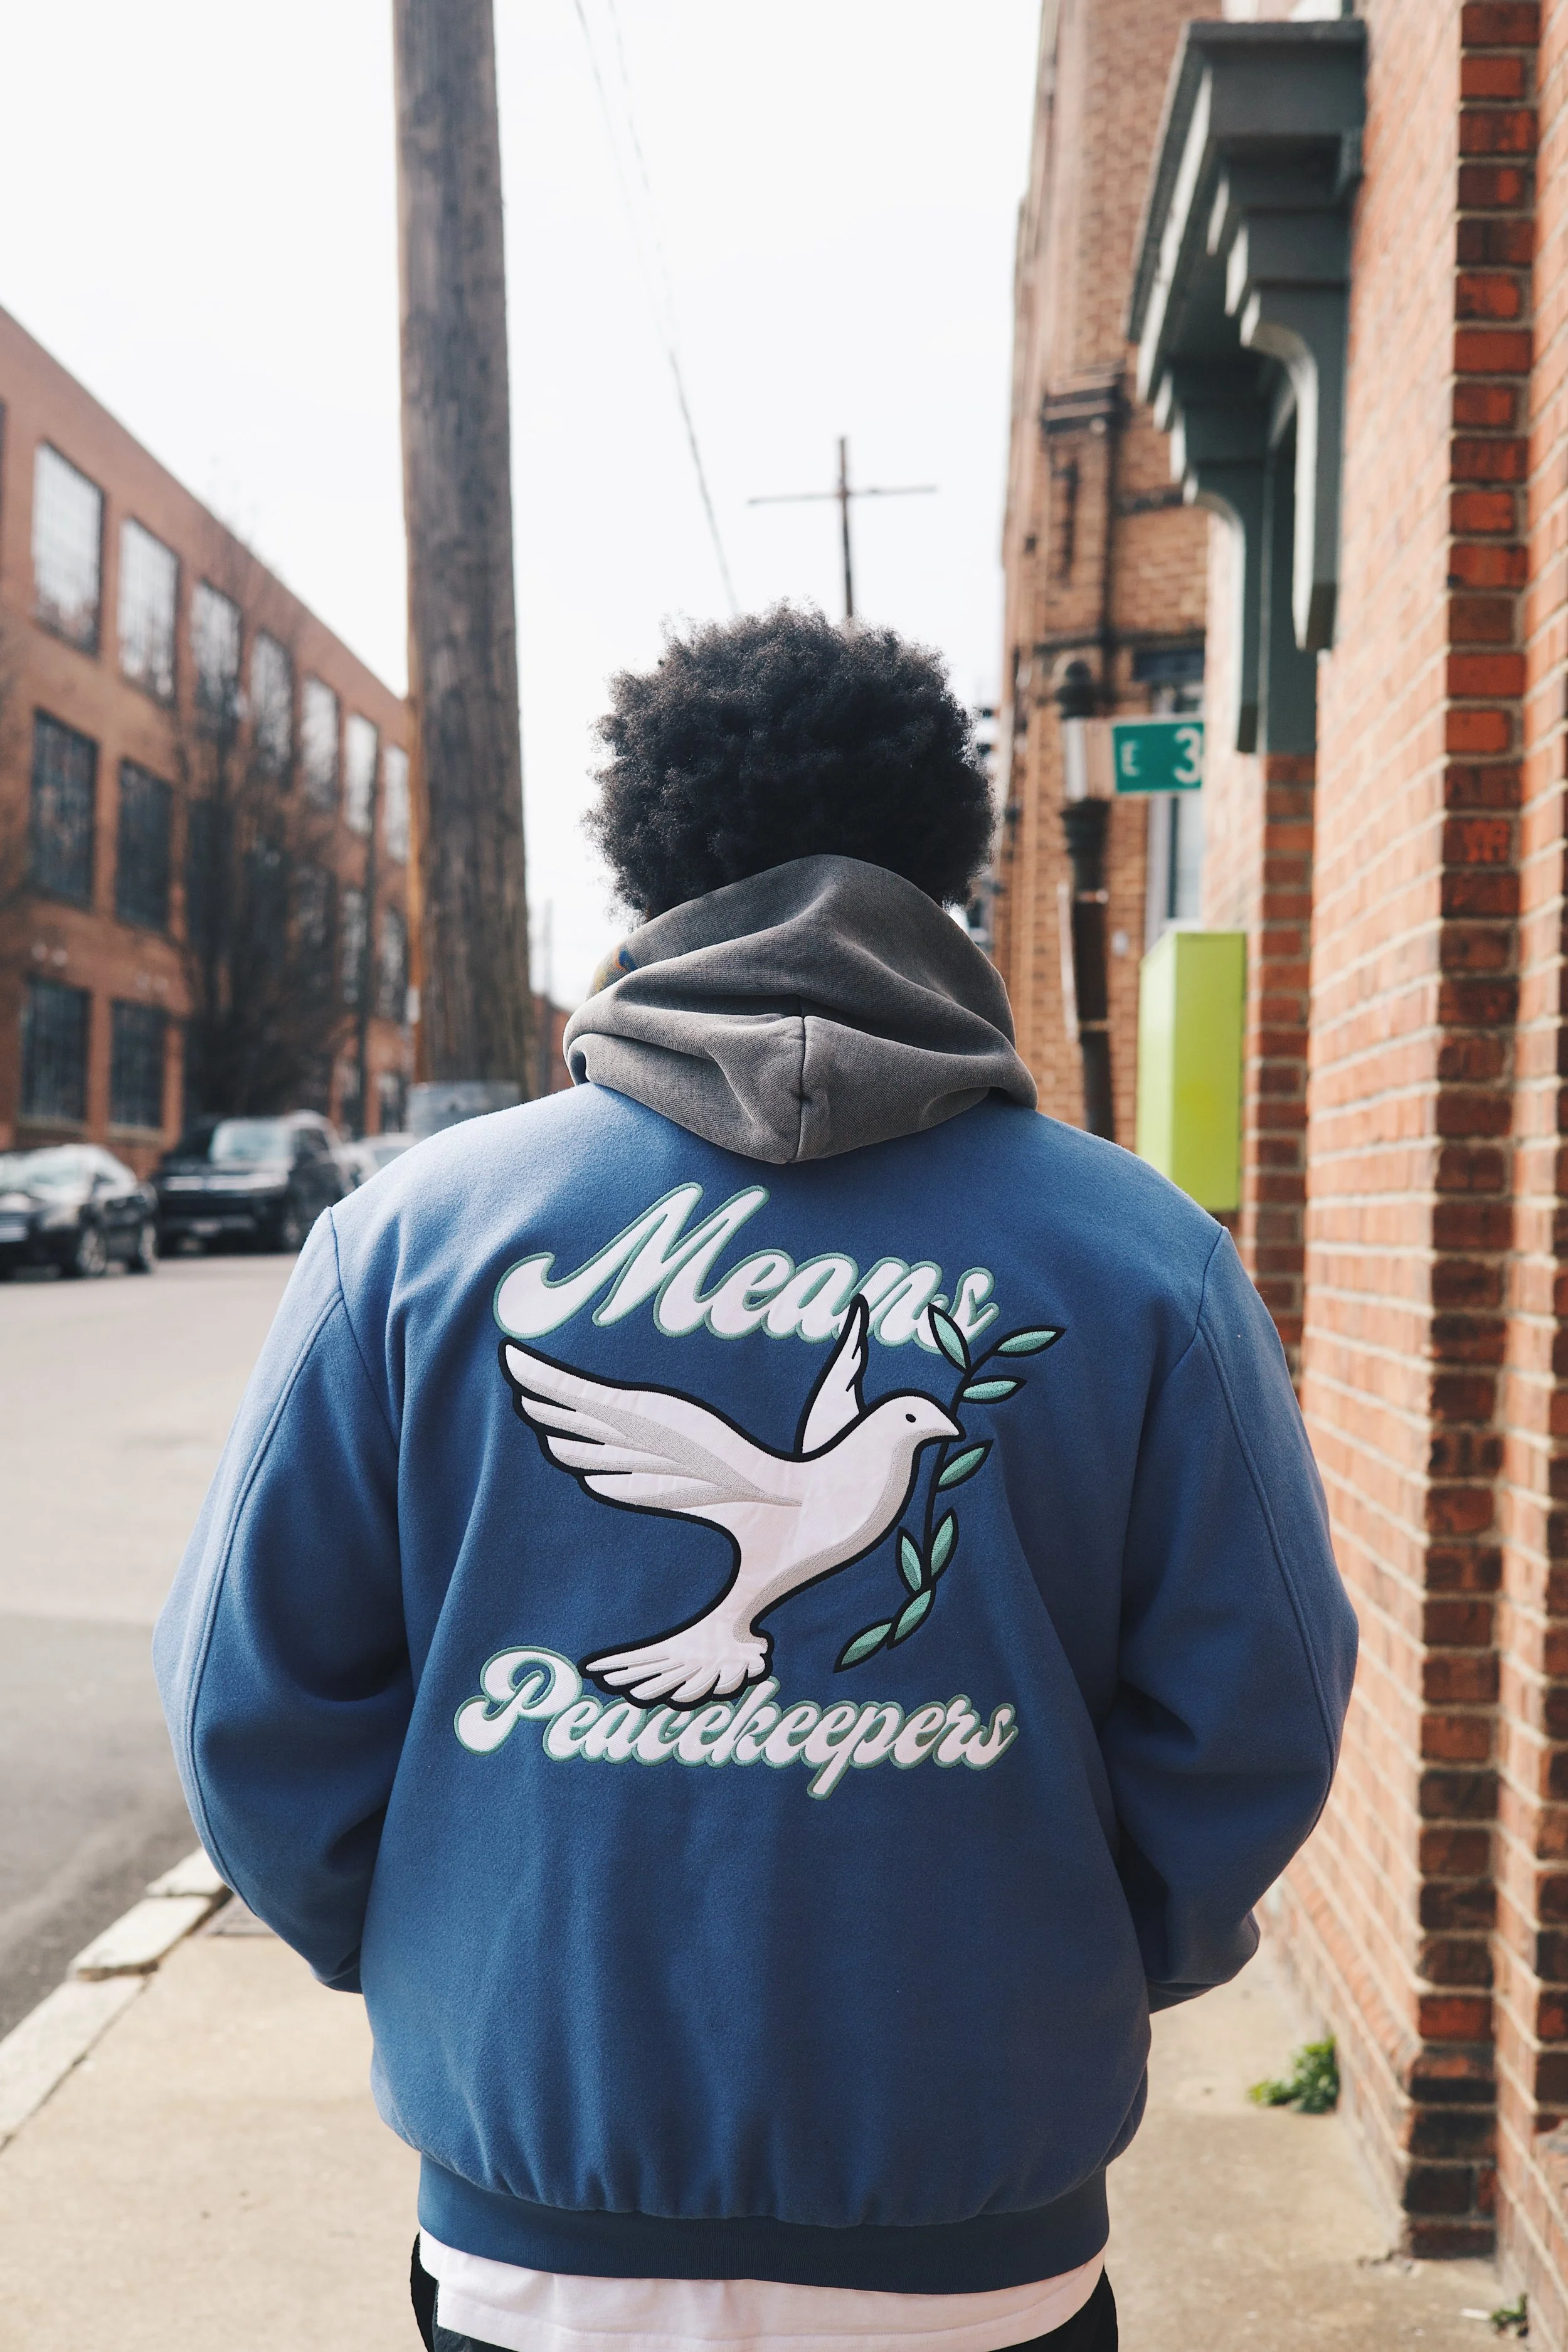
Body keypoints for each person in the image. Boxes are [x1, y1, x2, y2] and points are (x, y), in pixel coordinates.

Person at [156, 606, 1357, 2352]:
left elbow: (243, 1703)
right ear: (944, 863)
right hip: (977, 2230)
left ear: (650, 866)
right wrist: (1069, 1951)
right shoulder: (1142, 1257)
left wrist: (462, 1952)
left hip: (538, 2238)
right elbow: (1258, 1707)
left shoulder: (409, 1242)